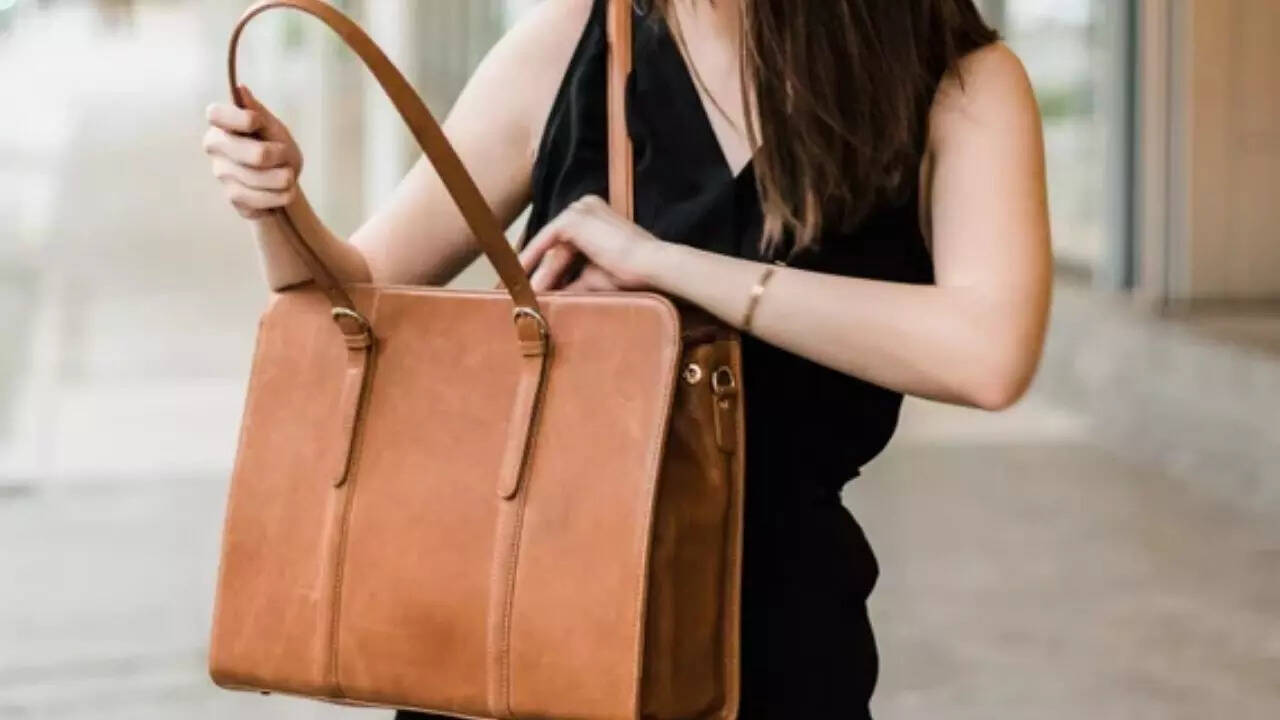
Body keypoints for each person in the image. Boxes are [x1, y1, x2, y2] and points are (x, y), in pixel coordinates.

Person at [202, 0, 1050, 716]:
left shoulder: (957, 84)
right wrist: (277, 207)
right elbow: (351, 301)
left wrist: (666, 267)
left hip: (770, 640)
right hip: (532, 612)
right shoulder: (568, 45)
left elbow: (987, 353)